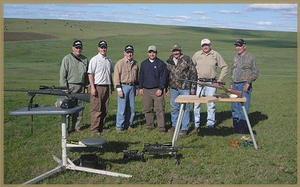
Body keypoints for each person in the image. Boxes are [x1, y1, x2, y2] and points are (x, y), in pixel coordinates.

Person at [192, 38, 228, 130]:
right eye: (204, 45)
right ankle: (196, 124)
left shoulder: (215, 54)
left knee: (211, 104)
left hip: (212, 83)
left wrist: (220, 79)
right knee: (197, 104)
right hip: (200, 82)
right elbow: (191, 68)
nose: (205, 47)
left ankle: (210, 125)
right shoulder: (197, 55)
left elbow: (224, 67)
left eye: (207, 45)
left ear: (210, 45)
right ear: (201, 46)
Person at [165, 43, 197, 135]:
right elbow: (166, 76)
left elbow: (193, 73)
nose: (176, 52)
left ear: (180, 51)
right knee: (174, 107)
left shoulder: (186, 59)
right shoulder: (169, 61)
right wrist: (167, 89)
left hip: (185, 88)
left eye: (177, 50)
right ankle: (175, 125)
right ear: (172, 51)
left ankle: (184, 128)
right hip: (173, 88)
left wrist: (193, 87)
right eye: (174, 51)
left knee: (186, 108)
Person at [59, 40, 89, 134]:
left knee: (79, 108)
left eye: (80, 47)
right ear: (73, 48)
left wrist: (86, 86)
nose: (78, 49)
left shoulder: (85, 59)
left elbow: (87, 75)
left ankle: (77, 127)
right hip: (70, 86)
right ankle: (66, 129)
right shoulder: (67, 59)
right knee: (68, 108)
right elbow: (63, 74)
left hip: (81, 86)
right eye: (77, 48)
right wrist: (64, 87)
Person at [230, 39, 259, 133]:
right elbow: (232, 71)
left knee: (243, 107)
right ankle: (236, 126)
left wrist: (248, 82)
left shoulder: (250, 57)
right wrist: (231, 83)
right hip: (235, 84)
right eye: (236, 46)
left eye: (240, 45)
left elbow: (255, 72)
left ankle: (243, 127)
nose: (238, 48)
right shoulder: (235, 57)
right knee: (235, 107)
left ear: (244, 46)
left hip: (244, 85)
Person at [139, 45, 168, 133]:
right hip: (146, 90)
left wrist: (160, 88)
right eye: (150, 52)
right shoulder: (144, 64)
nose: (152, 54)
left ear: (156, 53)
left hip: (157, 90)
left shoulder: (161, 64)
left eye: (153, 52)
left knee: (160, 109)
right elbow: (141, 76)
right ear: (148, 53)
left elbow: (164, 77)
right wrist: (140, 87)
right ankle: (150, 125)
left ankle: (161, 127)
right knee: (147, 109)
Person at [87, 40, 114, 135]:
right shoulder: (94, 59)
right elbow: (90, 74)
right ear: (98, 48)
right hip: (97, 86)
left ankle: (102, 126)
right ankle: (94, 129)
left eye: (104, 47)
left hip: (106, 86)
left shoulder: (109, 60)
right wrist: (93, 87)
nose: (103, 49)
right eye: (101, 47)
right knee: (96, 109)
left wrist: (112, 86)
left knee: (104, 108)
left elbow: (110, 74)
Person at [113, 45, 139, 132]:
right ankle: (119, 127)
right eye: (128, 52)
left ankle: (128, 124)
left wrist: (136, 87)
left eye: (131, 52)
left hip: (132, 86)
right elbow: (116, 77)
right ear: (124, 53)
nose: (129, 54)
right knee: (122, 108)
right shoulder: (120, 63)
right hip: (123, 86)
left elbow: (136, 77)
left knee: (131, 108)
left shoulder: (135, 64)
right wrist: (119, 89)